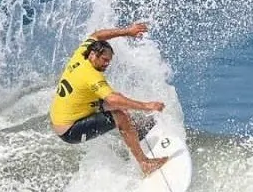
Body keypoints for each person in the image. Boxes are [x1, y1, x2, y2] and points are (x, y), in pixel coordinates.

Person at [49, 22, 168, 175]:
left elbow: (97, 34)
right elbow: (112, 100)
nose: (107, 64)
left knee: (121, 102)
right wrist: (147, 106)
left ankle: (134, 132)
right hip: (70, 131)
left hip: (66, 113)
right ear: (93, 55)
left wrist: (128, 31)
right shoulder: (91, 75)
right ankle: (145, 163)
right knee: (119, 113)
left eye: (109, 61)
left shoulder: (81, 55)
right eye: (104, 60)